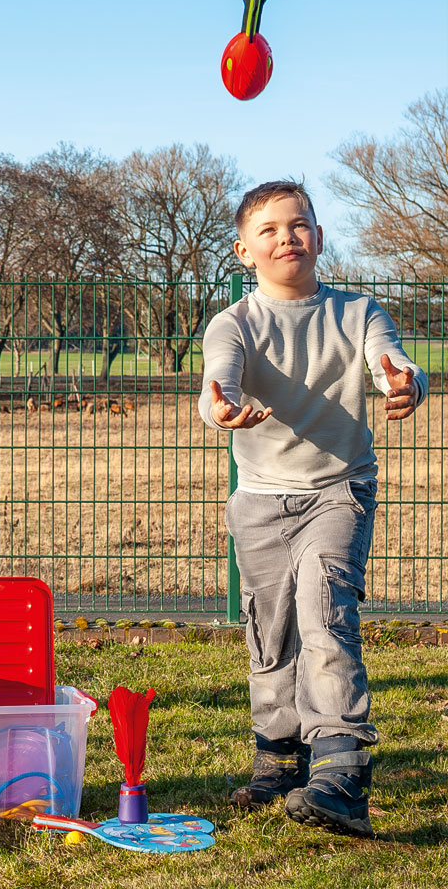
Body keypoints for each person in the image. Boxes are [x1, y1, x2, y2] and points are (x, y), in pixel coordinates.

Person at [198, 179, 426, 837]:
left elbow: (392, 361)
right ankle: (278, 757)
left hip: (338, 488)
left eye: (299, 225)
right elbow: (220, 376)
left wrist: (403, 382)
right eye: (269, 230)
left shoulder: (357, 311)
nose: (287, 237)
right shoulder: (234, 322)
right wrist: (221, 407)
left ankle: (341, 772)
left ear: (320, 239)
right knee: (270, 631)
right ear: (244, 250)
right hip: (260, 498)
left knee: (325, 613)